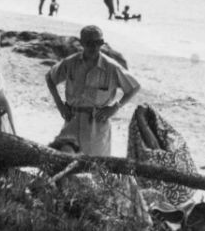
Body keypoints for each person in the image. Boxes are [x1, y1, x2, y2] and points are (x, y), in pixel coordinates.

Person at [44, 24, 141, 157]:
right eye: (89, 43)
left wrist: (115, 107)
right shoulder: (71, 63)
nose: (94, 47)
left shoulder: (111, 67)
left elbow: (134, 87)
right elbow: (50, 77)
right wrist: (60, 105)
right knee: (66, 163)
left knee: (95, 167)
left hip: (97, 124)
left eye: (99, 42)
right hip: (72, 121)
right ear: (81, 43)